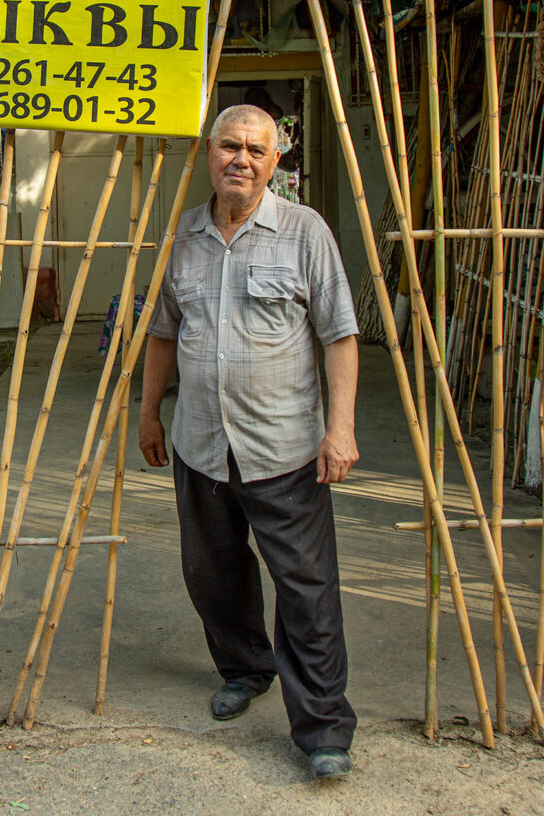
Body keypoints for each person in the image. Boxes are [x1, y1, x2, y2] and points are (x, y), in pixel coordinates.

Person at [138, 103, 360, 780]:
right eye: (230, 145)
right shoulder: (185, 235)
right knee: (213, 573)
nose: (241, 158)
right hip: (201, 442)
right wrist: (150, 413)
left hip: (283, 447)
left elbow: (340, 334)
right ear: (210, 152)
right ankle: (243, 667)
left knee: (306, 588)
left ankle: (322, 727)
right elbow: (163, 332)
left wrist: (341, 426)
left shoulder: (303, 232)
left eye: (256, 149)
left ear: (275, 161)